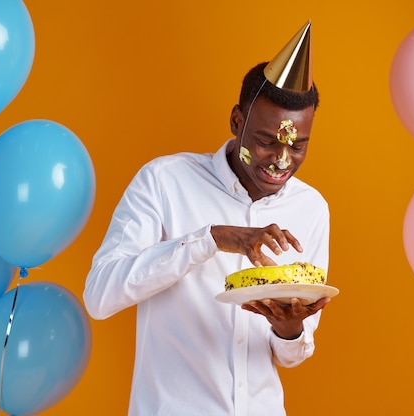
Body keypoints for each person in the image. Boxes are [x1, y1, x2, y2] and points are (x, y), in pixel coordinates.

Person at [84, 21, 331, 416]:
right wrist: (211, 239)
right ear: (237, 121)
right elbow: (100, 296)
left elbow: (289, 356)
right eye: (268, 142)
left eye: (298, 146)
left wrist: (290, 330)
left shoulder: (311, 208)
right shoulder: (164, 181)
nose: (282, 161)